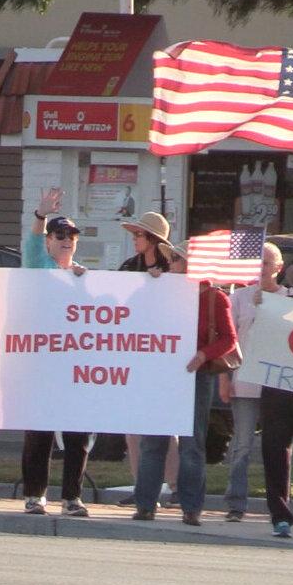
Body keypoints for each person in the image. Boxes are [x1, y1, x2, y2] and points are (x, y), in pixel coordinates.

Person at [134, 240, 236, 526]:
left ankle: (191, 507)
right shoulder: (161, 290)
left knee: (192, 444)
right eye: (173, 259)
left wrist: (204, 354)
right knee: (153, 441)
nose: (174, 264)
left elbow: (229, 339)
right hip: (161, 376)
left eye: (179, 259)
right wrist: (150, 284)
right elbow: (134, 314)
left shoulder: (215, 297)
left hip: (195, 376)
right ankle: (145, 505)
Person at [19, 188, 90, 517]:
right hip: (42, 364)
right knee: (40, 433)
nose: (66, 240)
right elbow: (32, 243)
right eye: (59, 235)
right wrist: (40, 215)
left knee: (77, 433)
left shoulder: (84, 276)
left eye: (71, 235)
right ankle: (35, 495)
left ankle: (72, 498)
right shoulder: (38, 265)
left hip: (74, 366)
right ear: (49, 240)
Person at [219, 243, 293, 531]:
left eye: (266, 263)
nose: (260, 268)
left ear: (278, 268)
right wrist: (225, 378)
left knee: (280, 447)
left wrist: (271, 308)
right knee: (243, 444)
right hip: (246, 379)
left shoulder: (289, 298)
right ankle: (236, 502)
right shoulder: (240, 298)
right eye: (256, 263)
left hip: (281, 384)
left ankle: (281, 507)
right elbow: (230, 339)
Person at [116, 212, 179, 508]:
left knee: (167, 424)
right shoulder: (128, 268)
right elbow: (116, 301)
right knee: (132, 425)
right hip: (133, 354)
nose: (134, 239)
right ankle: (142, 486)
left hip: (165, 358)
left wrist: (162, 283)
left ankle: (175, 486)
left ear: (153, 239)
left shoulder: (174, 269)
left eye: (139, 235)